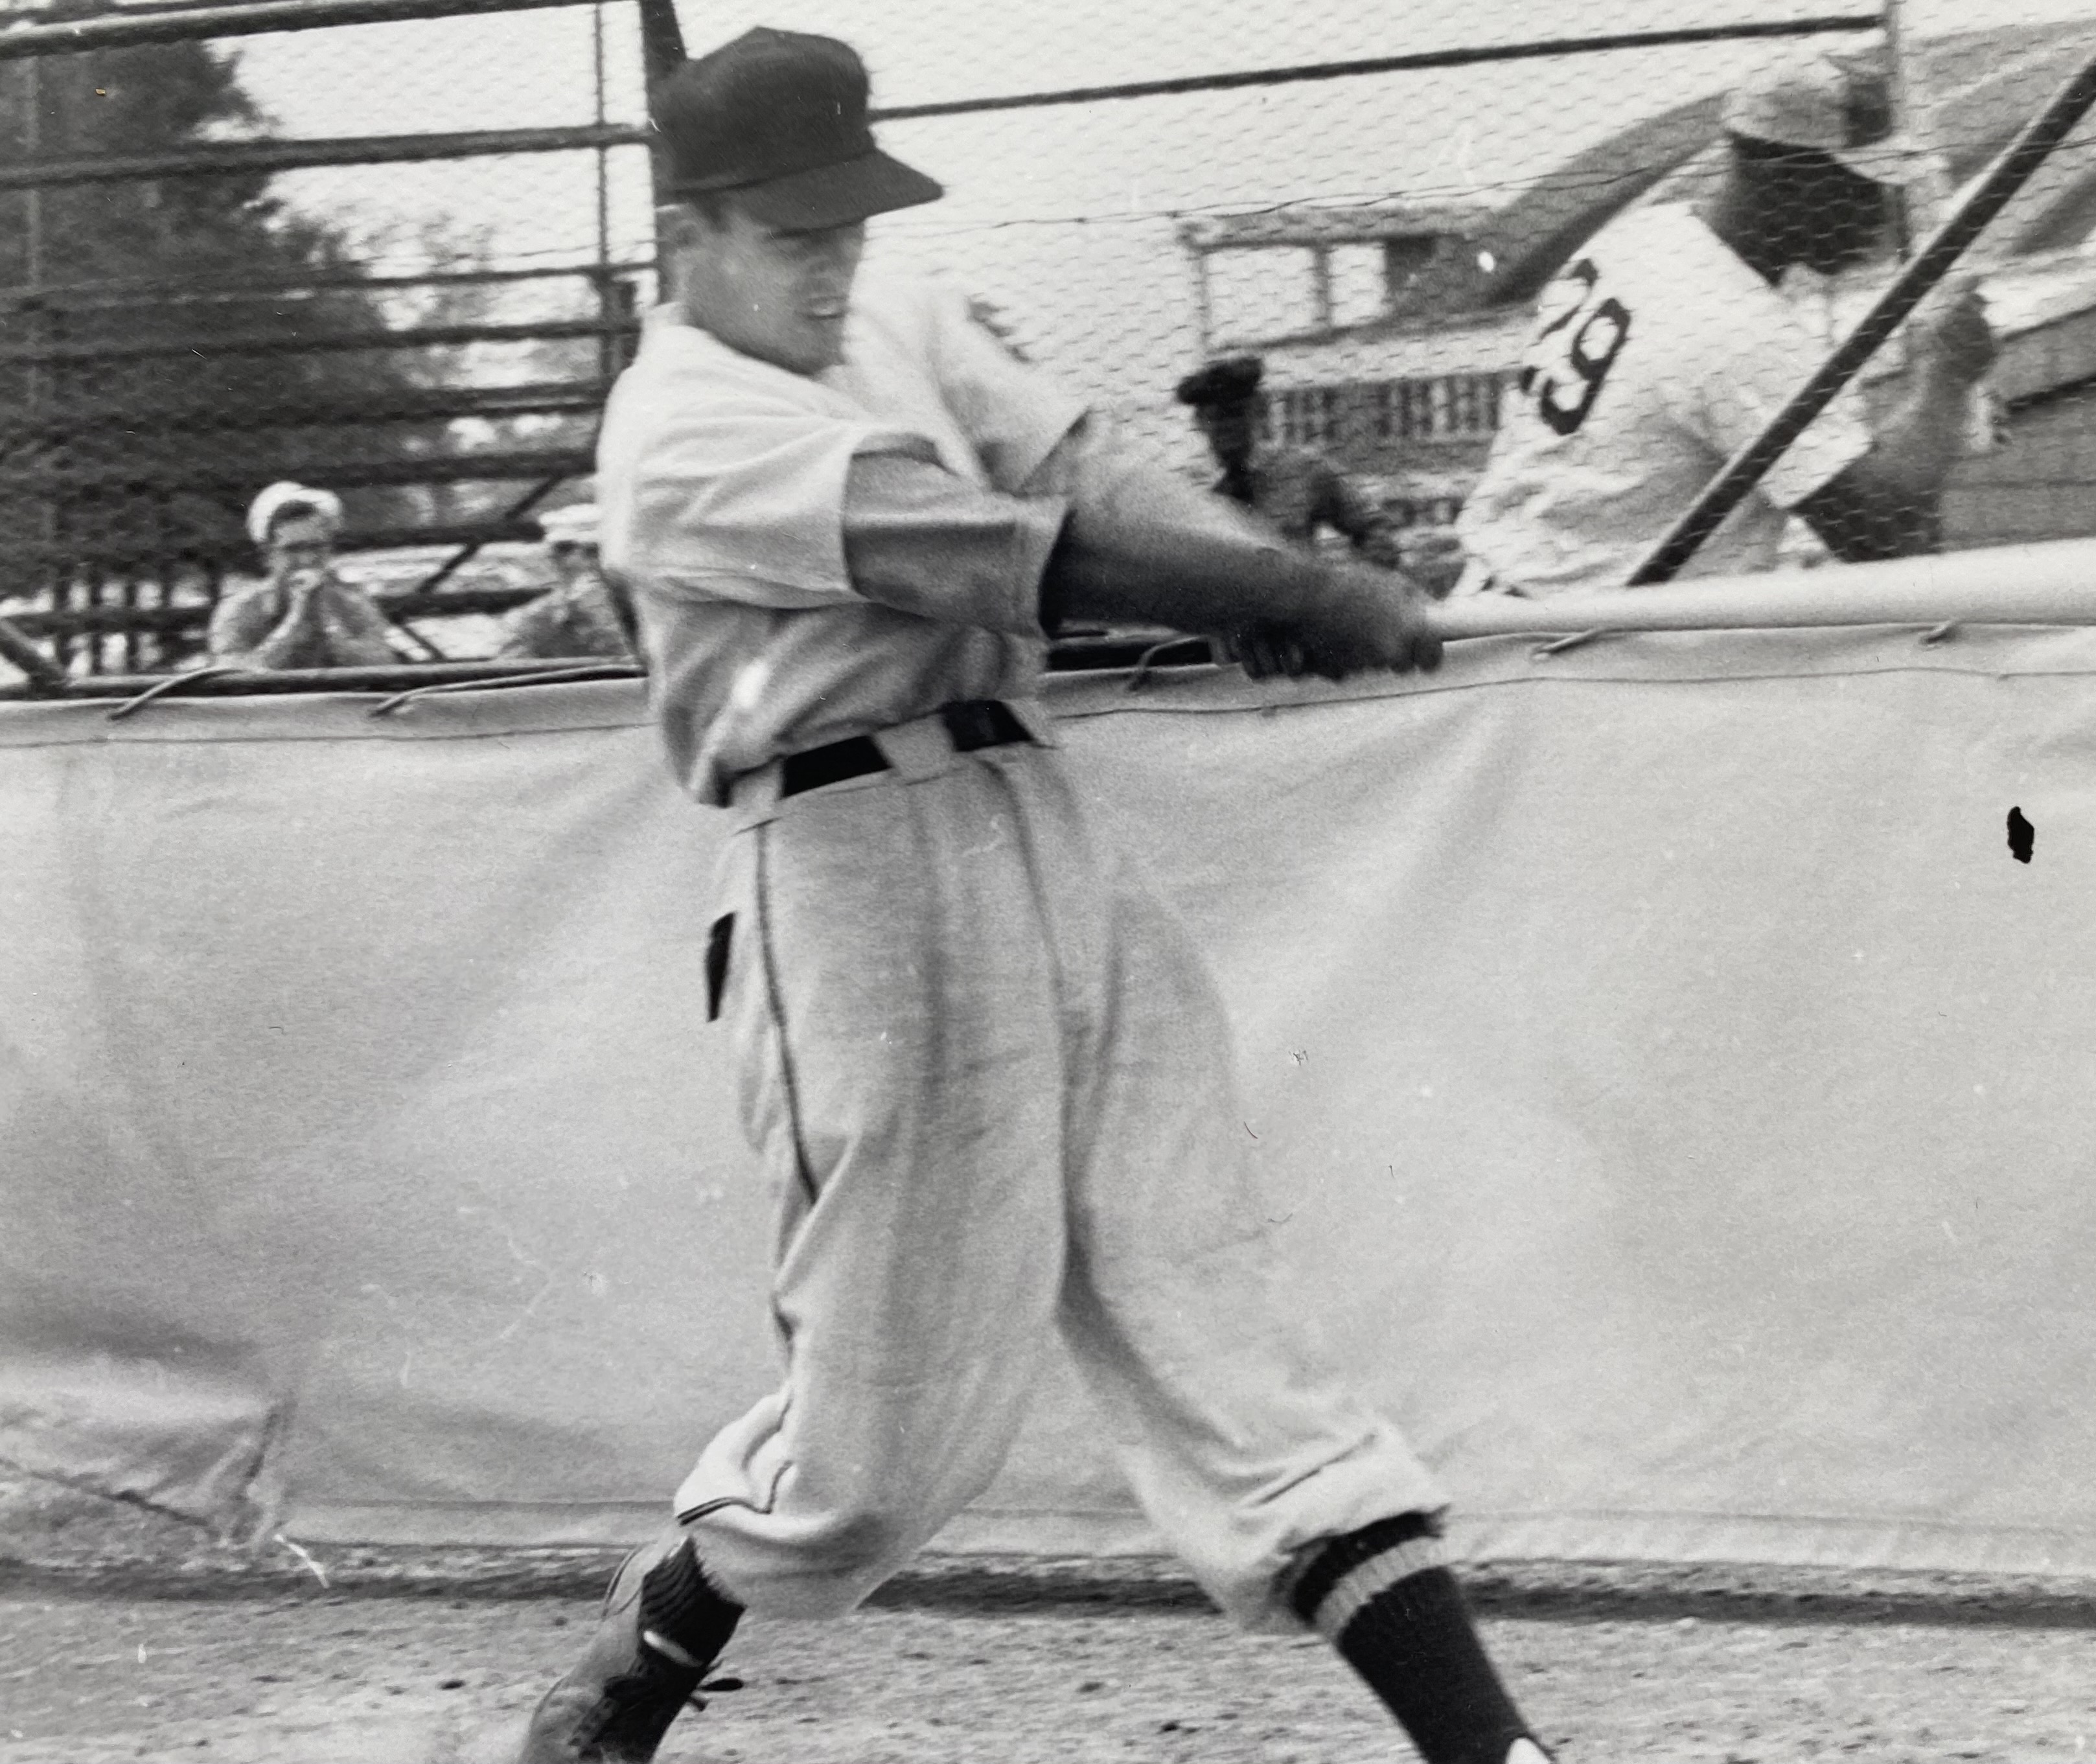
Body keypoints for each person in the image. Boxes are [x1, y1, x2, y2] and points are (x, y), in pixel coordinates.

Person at [514, 28, 1555, 1764]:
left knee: (1211, 1290)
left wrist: (1252, 577)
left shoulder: (885, 311)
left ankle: (1494, 1751)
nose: (837, 266)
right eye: (794, 236)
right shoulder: (679, 432)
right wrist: (1286, 586)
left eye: (849, 225)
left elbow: (1082, 472)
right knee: (874, 1455)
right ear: (683, 236)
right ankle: (643, 1653)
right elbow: (1012, 554)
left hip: (1033, 811)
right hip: (849, 870)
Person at [1451, 39, 1999, 597]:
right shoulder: (1742, 331)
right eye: (1858, 183)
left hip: (1499, 606)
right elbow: (1879, 536)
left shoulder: (1643, 237)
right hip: (1581, 645)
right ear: (1784, 178)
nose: (1879, 208)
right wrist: (1948, 379)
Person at [1175, 353, 1403, 568]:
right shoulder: (1186, 491)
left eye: (1236, 413)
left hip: (1298, 605)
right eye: (1216, 417)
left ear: (1257, 411)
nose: (1227, 427)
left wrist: (1372, 556)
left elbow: (1372, 526)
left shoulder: (1303, 469)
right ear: (1199, 422)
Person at [207, 481, 408, 670]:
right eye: (293, 549)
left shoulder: (354, 605)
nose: (307, 559)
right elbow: (231, 676)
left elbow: (383, 665)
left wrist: (327, 624)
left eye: (316, 547)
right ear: (268, 556)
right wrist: (295, 624)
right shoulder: (237, 611)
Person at [495, 503, 639, 661]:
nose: (575, 561)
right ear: (553, 558)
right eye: (564, 551)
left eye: (594, 551)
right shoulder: (534, 622)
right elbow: (506, 677)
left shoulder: (654, 613)